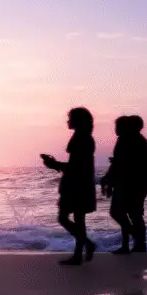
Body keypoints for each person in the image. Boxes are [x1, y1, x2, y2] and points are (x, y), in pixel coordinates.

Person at [41, 107, 97, 266]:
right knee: (79, 219)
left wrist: (54, 164)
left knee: (63, 218)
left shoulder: (82, 139)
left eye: (70, 118)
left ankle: (86, 244)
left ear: (78, 121)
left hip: (76, 185)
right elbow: (77, 165)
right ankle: (79, 254)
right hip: (82, 184)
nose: (68, 121)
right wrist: (55, 164)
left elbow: (76, 166)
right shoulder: (84, 137)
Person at [100, 114, 147, 254]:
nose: (116, 130)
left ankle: (137, 242)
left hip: (137, 182)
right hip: (130, 181)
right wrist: (110, 180)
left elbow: (124, 164)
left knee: (127, 213)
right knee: (126, 213)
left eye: (118, 127)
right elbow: (118, 163)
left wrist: (110, 180)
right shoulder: (124, 140)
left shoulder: (135, 141)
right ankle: (131, 245)